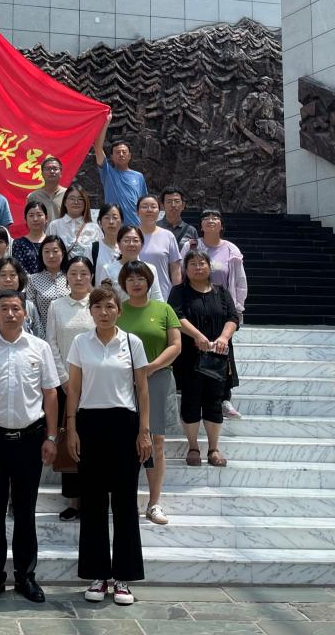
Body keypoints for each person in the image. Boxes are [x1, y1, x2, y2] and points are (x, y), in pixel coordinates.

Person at [0, 290, 59, 603]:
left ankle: (25, 575)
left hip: (30, 439)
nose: (10, 314)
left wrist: (51, 437)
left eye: (16, 308)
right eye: (4, 308)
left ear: (25, 313)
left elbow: (51, 393)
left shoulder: (39, 348)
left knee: (25, 510)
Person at [65, 286, 151, 607]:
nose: (104, 312)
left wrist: (144, 431)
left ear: (119, 310)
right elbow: (74, 389)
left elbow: (142, 390)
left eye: (110, 306)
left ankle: (124, 577)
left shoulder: (132, 342)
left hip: (125, 425)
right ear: (90, 311)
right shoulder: (80, 343)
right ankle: (98, 575)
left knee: (125, 502)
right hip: (89, 424)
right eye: (98, 307)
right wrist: (71, 428)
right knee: (93, 502)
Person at [117, 261, 181, 526]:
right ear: (123, 284)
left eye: (141, 278)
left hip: (158, 378)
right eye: (130, 279)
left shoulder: (163, 309)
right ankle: (124, 500)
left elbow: (175, 345)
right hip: (123, 382)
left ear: (149, 282)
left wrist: (150, 367)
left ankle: (154, 503)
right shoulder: (118, 310)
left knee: (156, 442)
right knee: (124, 441)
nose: (136, 283)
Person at [168, 250, 239, 468]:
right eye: (193, 264)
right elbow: (176, 316)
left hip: (218, 357)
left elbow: (233, 317)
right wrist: (198, 336)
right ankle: (193, 447)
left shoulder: (221, 292)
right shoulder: (179, 292)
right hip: (190, 357)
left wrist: (224, 337)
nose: (198, 267)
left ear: (209, 266)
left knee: (214, 402)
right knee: (191, 401)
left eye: (202, 263)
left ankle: (213, 448)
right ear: (185, 269)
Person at [44, 256, 96, 521]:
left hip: (96, 384)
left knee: (94, 441)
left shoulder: (98, 303)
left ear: (91, 276)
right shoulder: (57, 305)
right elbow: (51, 343)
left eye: (83, 273)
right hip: (65, 384)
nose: (78, 278)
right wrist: (64, 379)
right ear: (66, 277)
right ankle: (74, 501)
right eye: (73, 273)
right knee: (69, 439)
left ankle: (95, 498)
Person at [195, 209, 248, 420]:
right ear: (201, 225)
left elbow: (240, 281)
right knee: (196, 350)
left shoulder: (231, 249)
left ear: (221, 225)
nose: (210, 220)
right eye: (206, 218)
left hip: (223, 307)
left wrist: (238, 308)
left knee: (223, 351)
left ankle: (224, 398)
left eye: (215, 218)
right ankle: (198, 398)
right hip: (196, 303)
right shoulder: (192, 246)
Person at [93, 113, 147, 226]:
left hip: (134, 226)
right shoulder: (107, 172)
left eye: (124, 152)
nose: (121, 155)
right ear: (112, 157)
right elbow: (98, 148)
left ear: (129, 156)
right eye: (117, 152)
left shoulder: (138, 177)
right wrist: (106, 122)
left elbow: (144, 203)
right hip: (113, 226)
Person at [0, 257, 41, 339]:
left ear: (19, 277)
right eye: (3, 275)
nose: (8, 279)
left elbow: (38, 340)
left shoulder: (30, 307)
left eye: (12, 275)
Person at [99, 225, 164, 302]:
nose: (131, 244)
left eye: (135, 241)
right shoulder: (108, 269)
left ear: (142, 244)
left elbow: (157, 299)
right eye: (126, 241)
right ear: (119, 244)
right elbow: (102, 299)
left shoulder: (150, 269)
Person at [25, 236, 71, 339]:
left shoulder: (71, 277)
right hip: (43, 336)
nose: (51, 256)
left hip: (70, 334)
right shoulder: (33, 279)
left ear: (63, 253)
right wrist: (43, 338)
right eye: (46, 252)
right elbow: (32, 312)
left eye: (55, 251)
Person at [137, 195, 182, 299]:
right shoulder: (131, 236)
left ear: (159, 211)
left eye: (153, 206)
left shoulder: (168, 236)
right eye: (144, 207)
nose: (149, 210)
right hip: (134, 295)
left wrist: (177, 296)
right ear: (137, 212)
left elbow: (175, 269)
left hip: (163, 295)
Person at [48, 183, 101, 262]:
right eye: (72, 198)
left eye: (80, 199)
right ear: (65, 202)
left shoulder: (94, 228)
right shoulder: (54, 226)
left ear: (85, 203)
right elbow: (47, 251)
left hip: (87, 269)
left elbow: (100, 255)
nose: (76, 202)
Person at [11, 200, 49, 274]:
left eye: (39, 215)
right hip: (27, 281)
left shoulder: (53, 242)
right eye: (31, 215)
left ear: (46, 218)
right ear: (25, 219)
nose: (35, 219)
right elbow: (19, 269)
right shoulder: (18, 243)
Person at [27, 155, 67, 220]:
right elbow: (30, 220)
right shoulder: (33, 196)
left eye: (55, 169)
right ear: (42, 174)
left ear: (60, 173)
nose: (52, 171)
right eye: (48, 169)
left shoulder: (68, 194)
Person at [91, 203, 123, 279]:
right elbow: (86, 277)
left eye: (115, 217)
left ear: (121, 222)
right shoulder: (92, 249)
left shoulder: (128, 247)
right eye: (107, 218)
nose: (111, 222)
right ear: (100, 222)